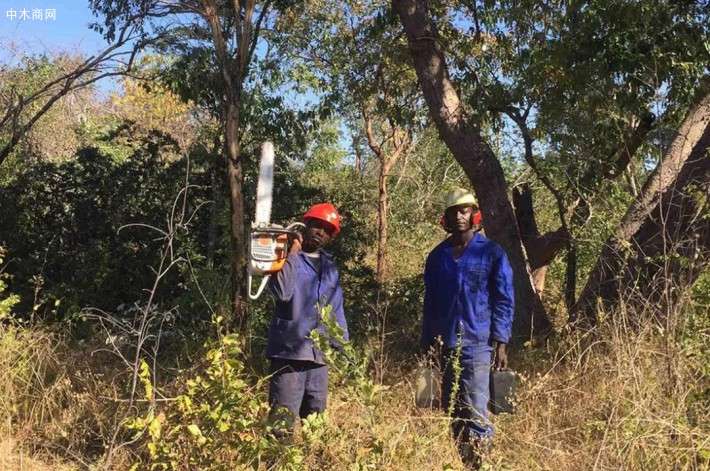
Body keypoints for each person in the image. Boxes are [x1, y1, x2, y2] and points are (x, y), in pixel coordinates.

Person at [422, 188, 514, 469]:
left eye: (464, 211)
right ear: (445, 219)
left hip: (478, 345)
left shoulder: (491, 252)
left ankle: (481, 464)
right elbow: (430, 305)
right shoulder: (437, 257)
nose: (460, 216)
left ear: (475, 215)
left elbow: (504, 297)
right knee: (454, 412)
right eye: (454, 212)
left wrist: (500, 341)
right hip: (446, 345)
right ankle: (464, 463)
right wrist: (428, 348)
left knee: (476, 413)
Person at [265, 202, 348, 436]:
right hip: (289, 355)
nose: (321, 233)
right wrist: (291, 252)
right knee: (281, 424)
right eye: (317, 226)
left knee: (316, 421)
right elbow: (283, 292)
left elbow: (336, 311)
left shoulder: (330, 269)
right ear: (306, 224)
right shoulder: (286, 258)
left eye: (327, 230)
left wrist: (344, 352)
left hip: (318, 358)